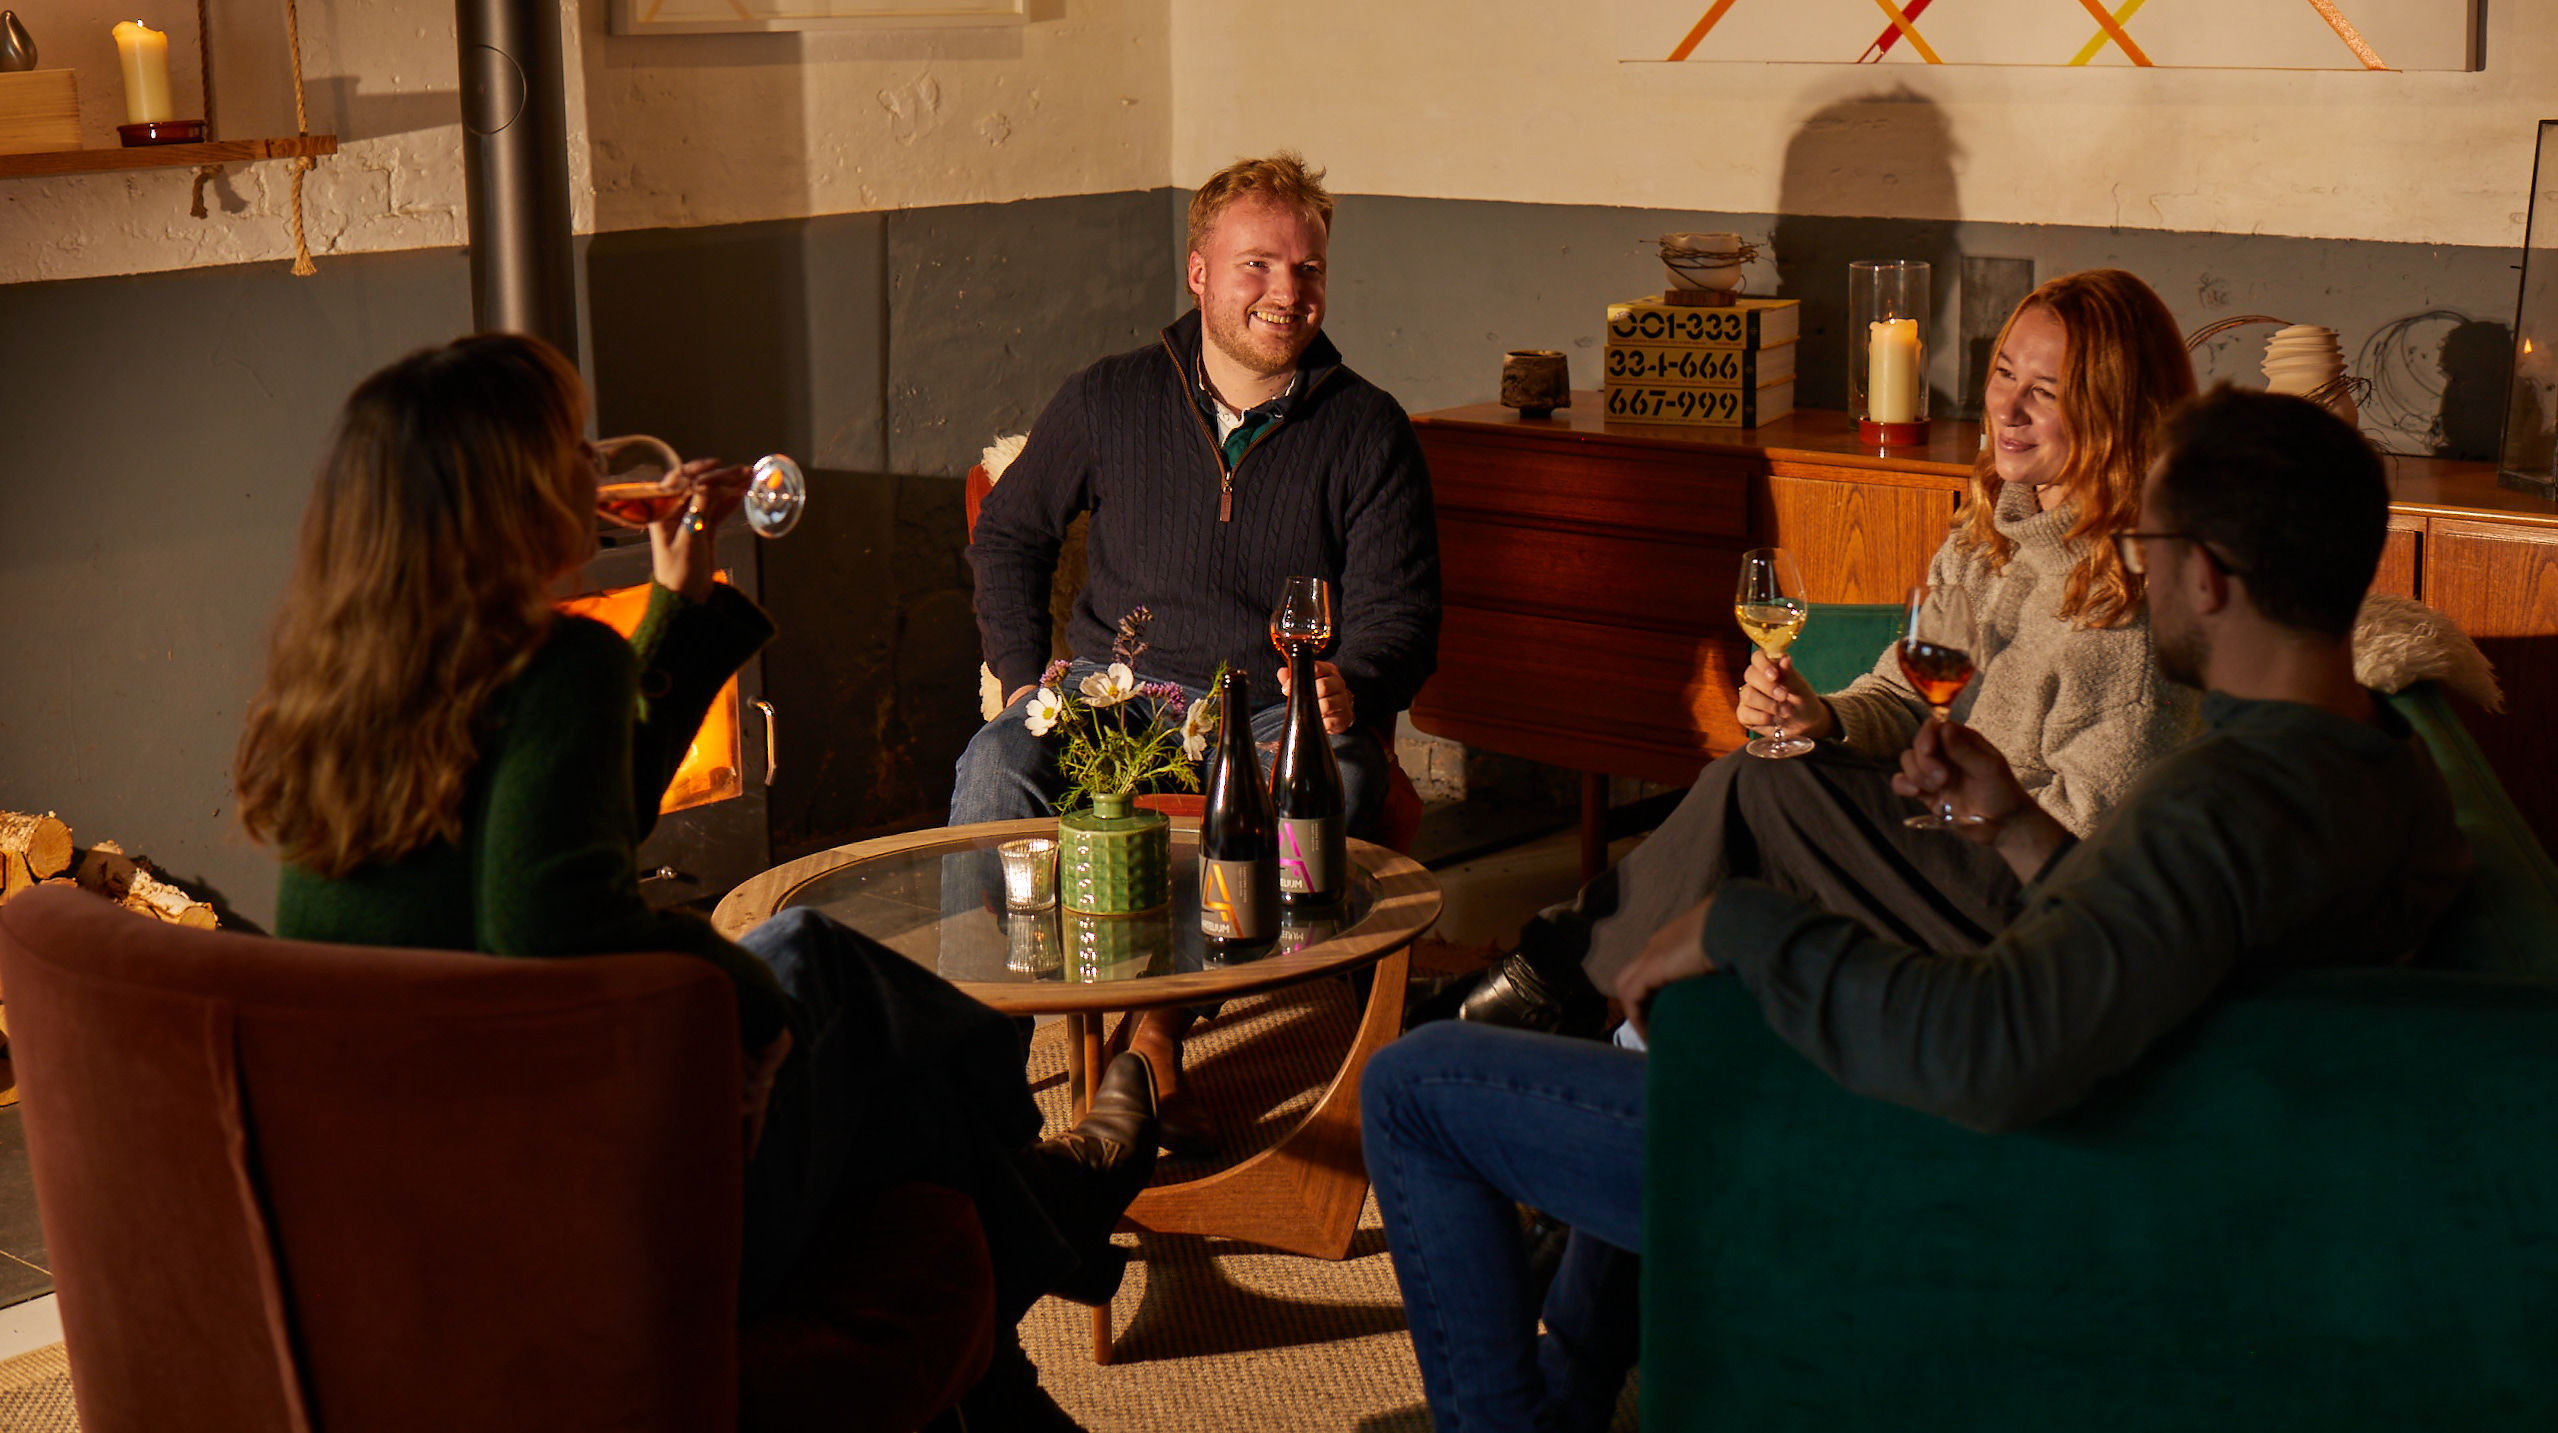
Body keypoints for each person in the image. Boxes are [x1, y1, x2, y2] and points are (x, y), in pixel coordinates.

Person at [1362, 387, 2472, 1433]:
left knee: (1413, 1087)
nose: (2135, 565)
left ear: (2211, 579)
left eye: (2146, 542)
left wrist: (1748, 925)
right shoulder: (2382, 769)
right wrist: (2019, 831)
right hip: (2140, 1124)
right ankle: (1568, 1385)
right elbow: (2153, 950)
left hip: (1971, 1170)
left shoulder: (2221, 801)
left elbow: (1991, 1047)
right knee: (1691, 1005)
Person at [237, 334, 1157, 1432]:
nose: (591, 463)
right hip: (595, 1222)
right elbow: (554, 927)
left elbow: (569, 830)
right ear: (507, 490)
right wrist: (753, 1012)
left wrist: (678, 597)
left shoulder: (333, 697)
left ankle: (1010, 1320)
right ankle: (1044, 1196)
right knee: (807, 973)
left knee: (849, 1042)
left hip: (442, 1202)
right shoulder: (554, 665)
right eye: (566, 444)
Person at [1461, 268, 2202, 1036]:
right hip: (1938, 849)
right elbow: (1903, 694)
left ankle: (1548, 980)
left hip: (2019, 911)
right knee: (1778, 766)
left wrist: (1900, 813)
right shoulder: (1989, 536)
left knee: (1767, 789)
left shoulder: (2134, 610)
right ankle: (1597, 1009)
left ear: (2113, 412)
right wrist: (1820, 716)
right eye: (2004, 374)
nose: (2007, 408)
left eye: (2044, 391)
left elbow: (2086, 863)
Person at [954, 152, 1441, 1136]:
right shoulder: (1107, 397)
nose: (1284, 293)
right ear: (1198, 273)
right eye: (1256, 265)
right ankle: (975, 1082)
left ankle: (1152, 1029)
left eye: (1305, 271)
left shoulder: (1366, 428)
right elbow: (1007, 534)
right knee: (993, 768)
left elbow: (1401, 610)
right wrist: (1016, 679)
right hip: (1108, 693)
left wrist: (1353, 680)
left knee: (1333, 784)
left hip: (1271, 705)